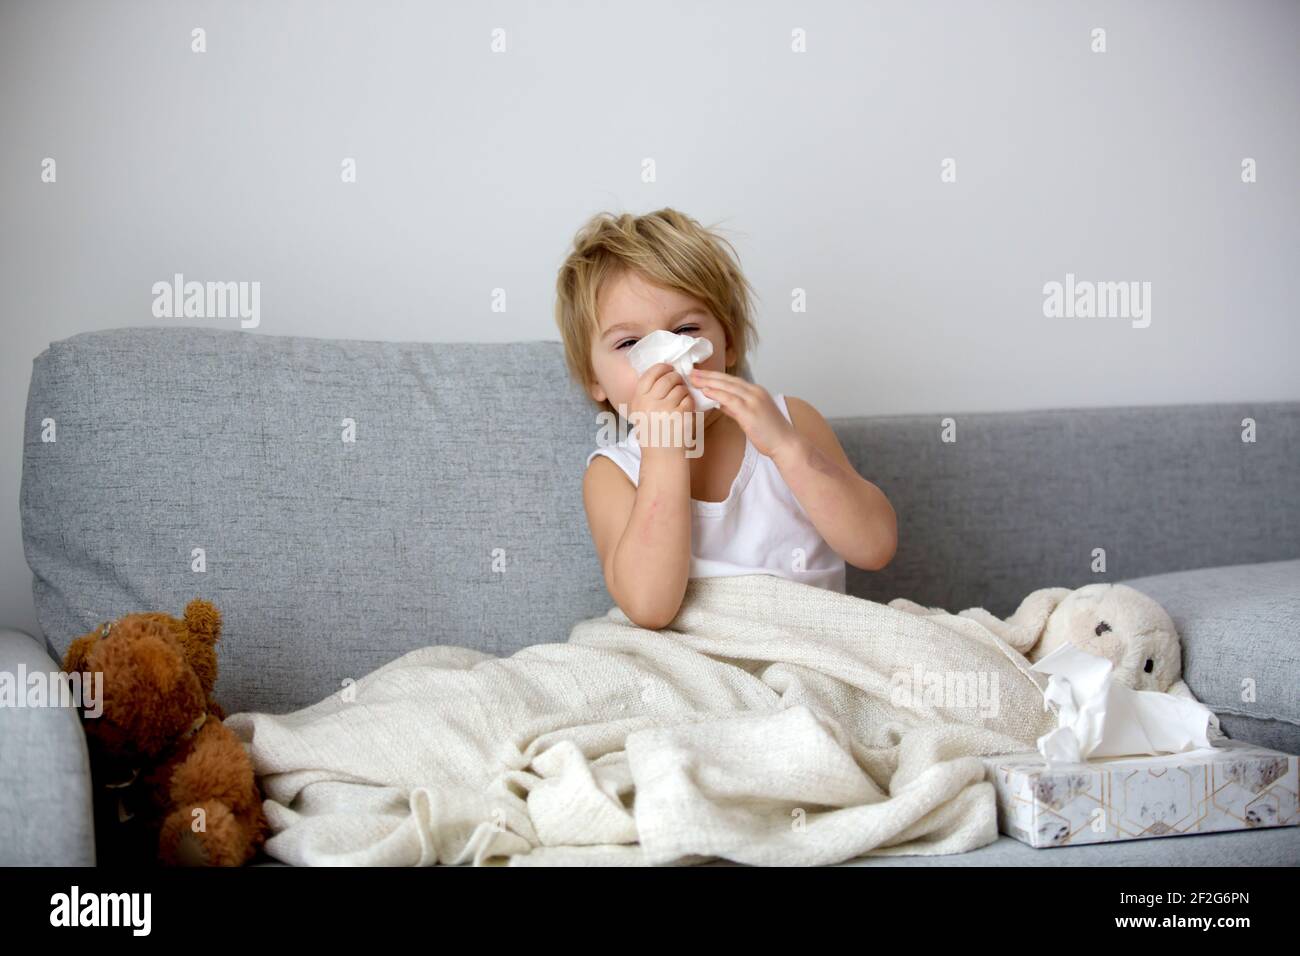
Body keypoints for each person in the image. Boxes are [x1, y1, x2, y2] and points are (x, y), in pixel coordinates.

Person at [554, 208, 897, 630]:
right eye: (630, 343)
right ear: (596, 380)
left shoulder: (791, 421)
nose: (667, 357)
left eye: (685, 331)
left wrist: (788, 449)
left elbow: (875, 547)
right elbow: (649, 607)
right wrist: (663, 454)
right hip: (699, 660)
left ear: (728, 344)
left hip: (808, 643)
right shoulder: (613, 474)